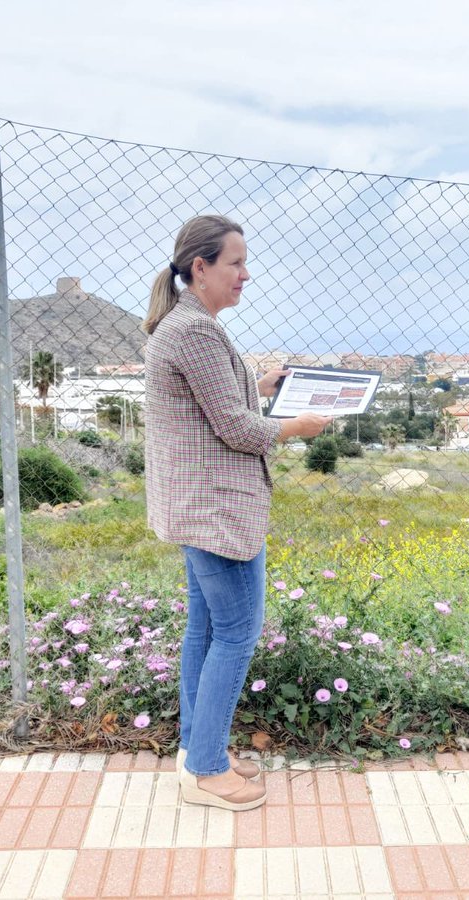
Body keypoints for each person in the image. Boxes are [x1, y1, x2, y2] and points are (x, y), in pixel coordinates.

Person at [144, 214, 331, 811]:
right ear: (201, 268)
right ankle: (204, 770)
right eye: (236, 263)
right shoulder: (195, 332)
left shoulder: (189, 325)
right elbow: (232, 426)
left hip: (200, 509)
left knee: (205, 629)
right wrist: (294, 427)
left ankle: (199, 752)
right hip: (219, 514)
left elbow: (215, 403)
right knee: (235, 633)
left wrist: (261, 382)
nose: (246, 275)